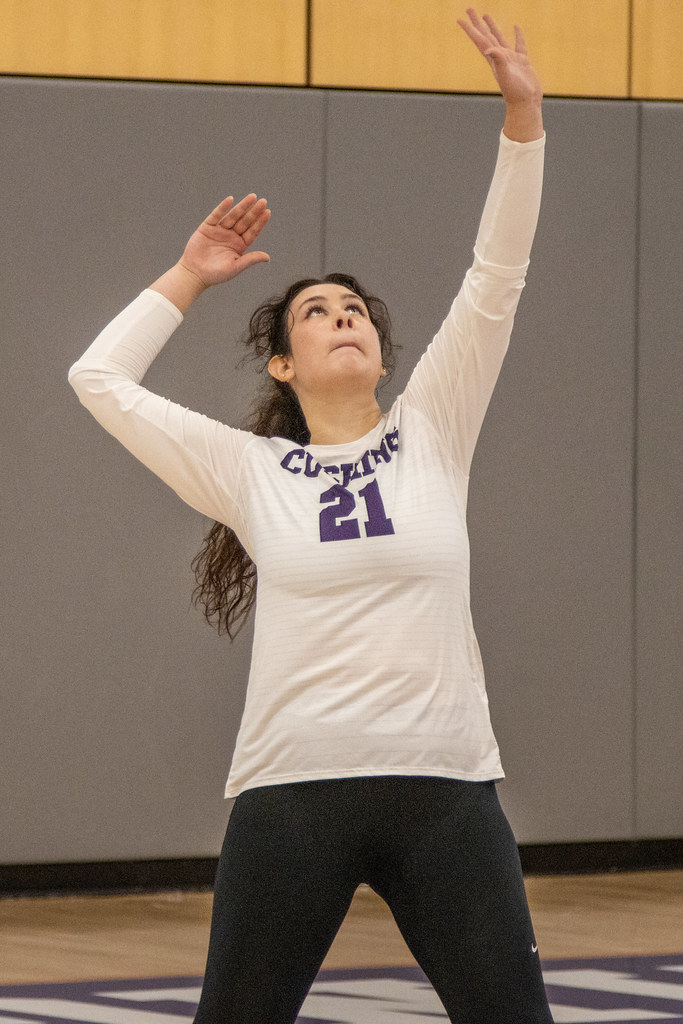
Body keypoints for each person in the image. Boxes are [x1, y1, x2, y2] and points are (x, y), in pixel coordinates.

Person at [69, 9, 553, 1023]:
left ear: (379, 348)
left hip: (443, 789)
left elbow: (495, 275)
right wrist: (189, 277)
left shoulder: (434, 426)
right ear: (284, 364)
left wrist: (522, 120)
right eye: (316, 312)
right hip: (294, 794)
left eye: (356, 311)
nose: (345, 317)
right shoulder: (249, 471)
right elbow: (98, 378)